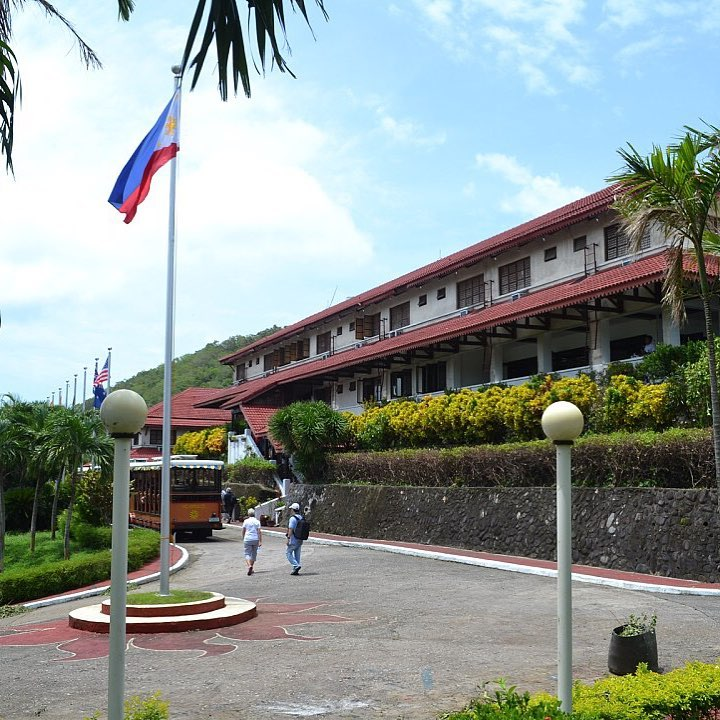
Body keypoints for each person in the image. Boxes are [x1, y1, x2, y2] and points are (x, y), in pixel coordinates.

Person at [241, 508, 262, 575]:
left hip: (247, 538)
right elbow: (259, 532)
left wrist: (243, 537)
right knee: (254, 553)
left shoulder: (246, 521)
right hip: (255, 539)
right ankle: (252, 566)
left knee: (247, 553)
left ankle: (249, 566)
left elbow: (243, 530)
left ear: (248, 514)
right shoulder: (257, 521)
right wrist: (260, 541)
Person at [286, 502, 304, 576]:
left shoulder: (293, 519)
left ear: (293, 510)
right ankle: (295, 569)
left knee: (288, 553)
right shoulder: (301, 517)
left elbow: (290, 529)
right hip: (300, 539)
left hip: (294, 539)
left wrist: (288, 538)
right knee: (297, 554)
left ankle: (296, 565)